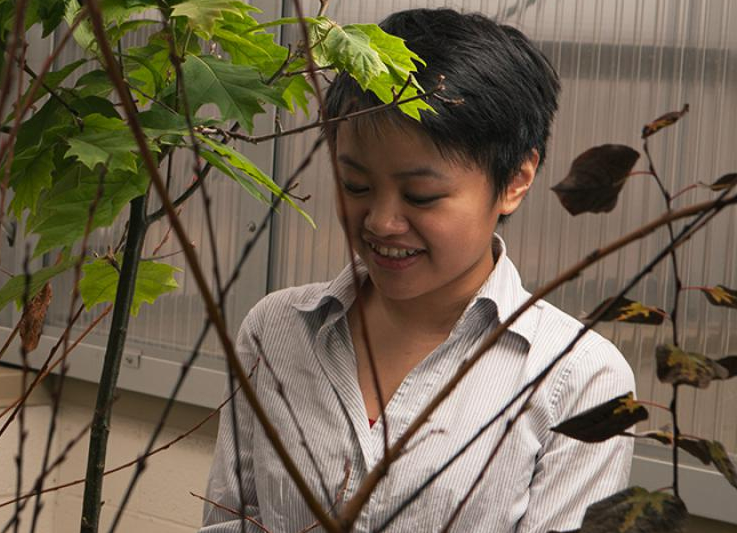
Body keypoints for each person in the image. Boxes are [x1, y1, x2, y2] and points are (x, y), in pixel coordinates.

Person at [199, 8, 635, 533]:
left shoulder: (577, 379)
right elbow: (230, 521)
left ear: (517, 180)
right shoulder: (275, 329)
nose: (381, 222)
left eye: (421, 195)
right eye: (355, 186)